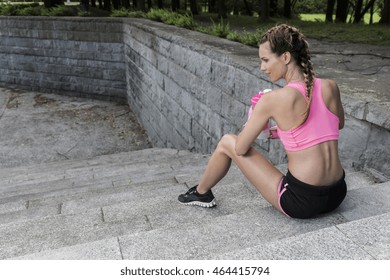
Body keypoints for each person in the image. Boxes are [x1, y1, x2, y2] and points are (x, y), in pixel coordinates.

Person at [178, 24, 347, 219]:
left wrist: (257, 112)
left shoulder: (273, 99)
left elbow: (240, 148)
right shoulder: (330, 86)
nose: (262, 67)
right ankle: (200, 192)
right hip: (337, 194)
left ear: (285, 57)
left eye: (266, 60)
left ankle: (201, 193)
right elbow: (336, 124)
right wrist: (279, 131)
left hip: (302, 201)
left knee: (227, 142)